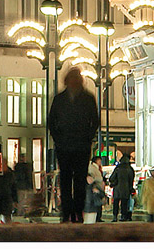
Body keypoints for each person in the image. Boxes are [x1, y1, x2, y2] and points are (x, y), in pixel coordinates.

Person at [48, 66, 100, 223]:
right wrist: (59, 138)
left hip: (77, 145)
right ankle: (68, 213)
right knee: (67, 180)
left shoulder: (81, 99)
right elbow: (51, 121)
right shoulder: (63, 99)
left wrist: (87, 137)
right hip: (68, 145)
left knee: (77, 181)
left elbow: (95, 121)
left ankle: (75, 211)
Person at [0, 159, 18, 223]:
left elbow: (13, 188)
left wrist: (15, 200)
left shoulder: (10, 175)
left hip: (6, 199)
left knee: (7, 218)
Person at [109, 152, 135, 221]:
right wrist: (131, 189)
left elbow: (111, 178)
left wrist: (114, 182)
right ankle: (123, 216)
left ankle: (115, 217)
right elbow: (131, 180)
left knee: (116, 203)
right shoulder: (130, 169)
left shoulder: (118, 168)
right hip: (126, 189)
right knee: (124, 204)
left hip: (117, 189)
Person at [87, 155, 106, 221]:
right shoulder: (92, 168)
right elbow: (91, 178)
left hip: (98, 187)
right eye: (99, 160)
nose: (100, 162)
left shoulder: (97, 168)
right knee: (97, 202)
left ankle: (98, 217)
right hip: (96, 187)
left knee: (98, 202)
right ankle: (97, 217)